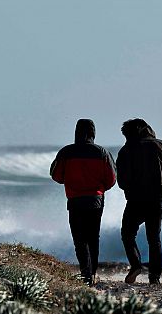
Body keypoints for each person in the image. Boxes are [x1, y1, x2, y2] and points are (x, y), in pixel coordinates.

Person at [50, 119, 116, 285]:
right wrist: (99, 188)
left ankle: (85, 272)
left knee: (79, 238)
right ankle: (92, 272)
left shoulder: (66, 152)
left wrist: (71, 182)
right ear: (93, 132)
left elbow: (56, 175)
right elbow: (112, 179)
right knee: (93, 237)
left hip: (75, 199)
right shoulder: (102, 152)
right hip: (95, 199)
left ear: (76, 132)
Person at [116, 118, 162, 285]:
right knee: (154, 238)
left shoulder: (126, 150)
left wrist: (131, 188)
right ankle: (155, 278)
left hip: (135, 199)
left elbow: (121, 180)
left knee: (127, 234)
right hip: (157, 198)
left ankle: (136, 265)